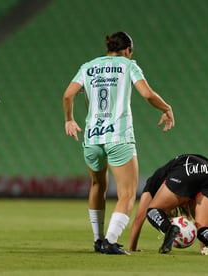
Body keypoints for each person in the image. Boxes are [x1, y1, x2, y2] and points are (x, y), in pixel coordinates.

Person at [63, 31, 175, 254]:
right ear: (127, 50)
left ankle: (98, 239)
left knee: (97, 185)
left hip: (93, 137)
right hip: (119, 137)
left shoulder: (88, 67)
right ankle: (110, 241)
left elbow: (68, 95)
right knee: (126, 193)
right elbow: (147, 94)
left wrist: (69, 120)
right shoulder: (128, 65)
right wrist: (166, 108)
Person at [129, 154, 208, 255]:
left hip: (185, 168)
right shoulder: (187, 194)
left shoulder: (152, 183)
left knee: (152, 211)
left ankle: (169, 229)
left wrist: (132, 248)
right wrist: (203, 248)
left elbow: (139, 218)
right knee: (203, 229)